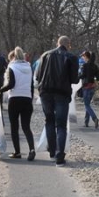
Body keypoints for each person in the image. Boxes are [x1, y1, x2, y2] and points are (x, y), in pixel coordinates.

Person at [35, 36, 78, 167]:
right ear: (68, 44)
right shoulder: (71, 57)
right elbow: (75, 80)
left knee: (49, 121)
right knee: (61, 124)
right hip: (62, 94)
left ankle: (52, 151)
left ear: (57, 43)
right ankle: (60, 155)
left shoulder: (45, 55)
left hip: (45, 93)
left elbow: (37, 76)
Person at [0, 47, 36, 161]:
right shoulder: (29, 67)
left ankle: (17, 152)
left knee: (14, 127)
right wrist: (30, 99)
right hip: (27, 99)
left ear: (13, 57)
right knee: (26, 126)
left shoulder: (12, 67)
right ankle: (32, 149)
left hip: (15, 99)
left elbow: (11, 84)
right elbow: (31, 86)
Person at [78, 51, 99, 129]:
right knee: (88, 105)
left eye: (83, 56)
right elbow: (98, 78)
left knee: (87, 105)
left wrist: (78, 76)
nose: (82, 58)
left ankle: (95, 118)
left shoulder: (84, 65)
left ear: (86, 57)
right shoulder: (95, 66)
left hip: (86, 87)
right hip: (92, 88)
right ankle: (86, 122)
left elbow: (82, 75)